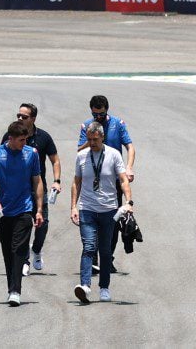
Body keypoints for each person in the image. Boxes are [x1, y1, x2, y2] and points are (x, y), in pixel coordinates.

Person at [70, 119, 133, 304]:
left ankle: (104, 287)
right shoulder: (82, 156)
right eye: (89, 139)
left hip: (109, 210)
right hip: (87, 209)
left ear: (102, 137)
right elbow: (76, 182)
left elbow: (123, 179)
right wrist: (73, 206)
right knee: (89, 247)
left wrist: (128, 202)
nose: (92, 143)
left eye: (95, 140)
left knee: (105, 251)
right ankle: (85, 286)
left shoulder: (113, 155)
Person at [0, 118, 45, 306]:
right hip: (3, 211)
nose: (24, 143)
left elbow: (37, 181)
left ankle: (16, 291)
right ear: (11, 138)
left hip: (24, 210)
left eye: (26, 140)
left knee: (18, 249)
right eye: (21, 140)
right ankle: (11, 288)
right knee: (7, 252)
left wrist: (39, 209)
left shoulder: (31, 154)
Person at [13, 102, 62, 274]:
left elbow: (55, 160)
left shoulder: (43, 137)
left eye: (24, 117)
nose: (19, 118)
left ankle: (37, 250)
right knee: (23, 225)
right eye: (18, 115)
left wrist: (57, 180)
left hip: (38, 188)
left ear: (33, 119)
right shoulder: (10, 135)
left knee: (43, 224)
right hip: (17, 191)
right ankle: (24, 259)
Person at [81, 95, 136, 181]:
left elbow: (130, 147)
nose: (98, 117)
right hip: (93, 176)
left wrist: (129, 168)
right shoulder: (86, 126)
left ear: (107, 110)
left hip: (115, 177)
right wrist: (91, 140)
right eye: (95, 114)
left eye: (101, 114)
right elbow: (80, 150)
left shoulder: (118, 124)